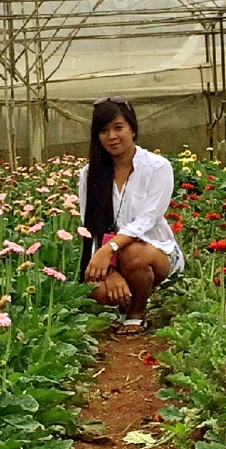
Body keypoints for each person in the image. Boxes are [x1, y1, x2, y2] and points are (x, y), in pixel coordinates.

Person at [78, 96, 182, 333]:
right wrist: (110, 271)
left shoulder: (157, 167)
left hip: (155, 251)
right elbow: (90, 225)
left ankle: (137, 312)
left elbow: (146, 222)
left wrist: (110, 249)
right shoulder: (90, 174)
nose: (111, 136)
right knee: (98, 291)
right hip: (110, 256)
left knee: (133, 253)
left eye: (118, 128)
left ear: (133, 129)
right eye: (103, 131)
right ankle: (124, 302)